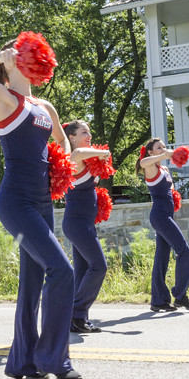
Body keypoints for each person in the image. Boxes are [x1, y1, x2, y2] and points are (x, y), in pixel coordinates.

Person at [0, 41, 81, 379]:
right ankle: (54, 358)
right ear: (9, 64)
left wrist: (64, 164)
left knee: (32, 283)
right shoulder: (3, 97)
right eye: (14, 54)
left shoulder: (44, 105)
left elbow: (63, 141)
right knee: (62, 271)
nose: (21, 56)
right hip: (16, 202)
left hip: (44, 202)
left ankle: (22, 363)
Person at [62, 121, 110, 334]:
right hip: (76, 223)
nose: (89, 135)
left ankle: (77, 320)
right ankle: (76, 313)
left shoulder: (85, 161)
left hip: (84, 223)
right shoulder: (73, 158)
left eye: (89, 131)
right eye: (84, 132)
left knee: (81, 273)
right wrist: (103, 153)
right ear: (71, 137)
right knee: (99, 266)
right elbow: (80, 151)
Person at [138, 138, 189, 313]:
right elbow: (143, 162)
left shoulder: (164, 169)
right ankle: (180, 295)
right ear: (150, 152)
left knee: (161, 258)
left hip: (165, 215)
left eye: (164, 146)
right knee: (184, 250)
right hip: (160, 217)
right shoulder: (150, 166)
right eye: (158, 148)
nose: (163, 149)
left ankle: (159, 301)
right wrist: (165, 154)